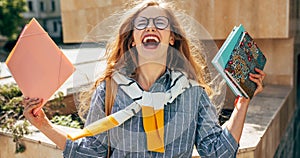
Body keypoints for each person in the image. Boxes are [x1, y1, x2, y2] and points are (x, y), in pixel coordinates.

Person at [23, 0, 266, 157]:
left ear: (172, 38)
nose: (151, 27)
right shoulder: (109, 90)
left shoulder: (193, 93)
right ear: (132, 39)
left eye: (160, 22)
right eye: (142, 23)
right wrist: (43, 125)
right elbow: (89, 153)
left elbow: (218, 153)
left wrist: (243, 102)